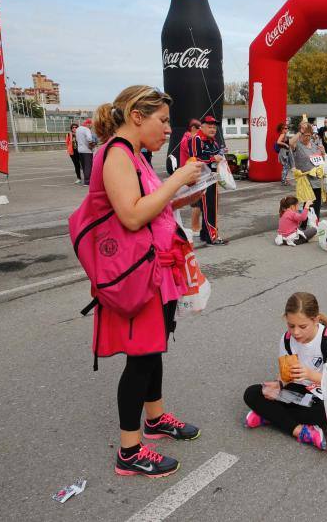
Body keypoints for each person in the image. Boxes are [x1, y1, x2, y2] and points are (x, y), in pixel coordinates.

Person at [91, 85, 204, 478]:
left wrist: (187, 193)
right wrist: (176, 180)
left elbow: (153, 205)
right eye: (163, 120)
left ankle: (154, 419)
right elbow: (133, 216)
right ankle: (129, 449)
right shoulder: (115, 154)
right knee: (139, 359)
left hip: (155, 268)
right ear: (137, 116)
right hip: (134, 273)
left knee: (153, 349)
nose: (168, 129)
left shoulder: (136, 156)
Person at [243, 292, 327, 451]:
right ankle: (301, 431)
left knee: (321, 414)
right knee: (252, 393)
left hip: (322, 393)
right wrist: (278, 385)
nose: (296, 332)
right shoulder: (286, 339)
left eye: (302, 326)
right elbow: (286, 376)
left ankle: (269, 416)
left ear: (315, 320)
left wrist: (310, 374)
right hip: (297, 390)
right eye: (291, 326)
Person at [188, 115, 227, 246]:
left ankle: (206, 235)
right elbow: (194, 159)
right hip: (203, 178)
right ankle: (212, 237)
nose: (212, 129)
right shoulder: (196, 139)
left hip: (213, 177)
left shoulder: (213, 141)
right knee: (208, 206)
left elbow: (216, 155)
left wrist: (221, 153)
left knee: (212, 207)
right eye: (209, 126)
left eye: (214, 127)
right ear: (202, 126)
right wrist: (212, 159)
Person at [290, 121, 325, 222]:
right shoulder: (298, 145)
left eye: (309, 135)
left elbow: (320, 160)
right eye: (305, 135)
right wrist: (300, 132)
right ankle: (304, 223)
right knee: (308, 203)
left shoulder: (314, 145)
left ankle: (316, 222)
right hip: (306, 179)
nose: (307, 137)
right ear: (301, 135)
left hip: (317, 178)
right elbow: (291, 142)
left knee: (317, 203)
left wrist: (323, 152)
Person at [176, 119, 202, 235]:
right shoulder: (189, 139)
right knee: (197, 200)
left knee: (196, 200)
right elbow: (194, 154)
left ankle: (196, 226)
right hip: (190, 172)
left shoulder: (186, 138)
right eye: (199, 129)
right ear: (193, 128)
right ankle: (195, 227)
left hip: (188, 171)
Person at [76, 118, 96, 186]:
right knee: (88, 166)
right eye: (91, 125)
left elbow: (77, 139)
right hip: (87, 150)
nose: (91, 127)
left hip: (80, 150)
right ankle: (87, 181)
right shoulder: (86, 129)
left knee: (84, 166)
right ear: (88, 124)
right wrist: (91, 144)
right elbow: (89, 138)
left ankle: (85, 179)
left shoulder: (78, 129)